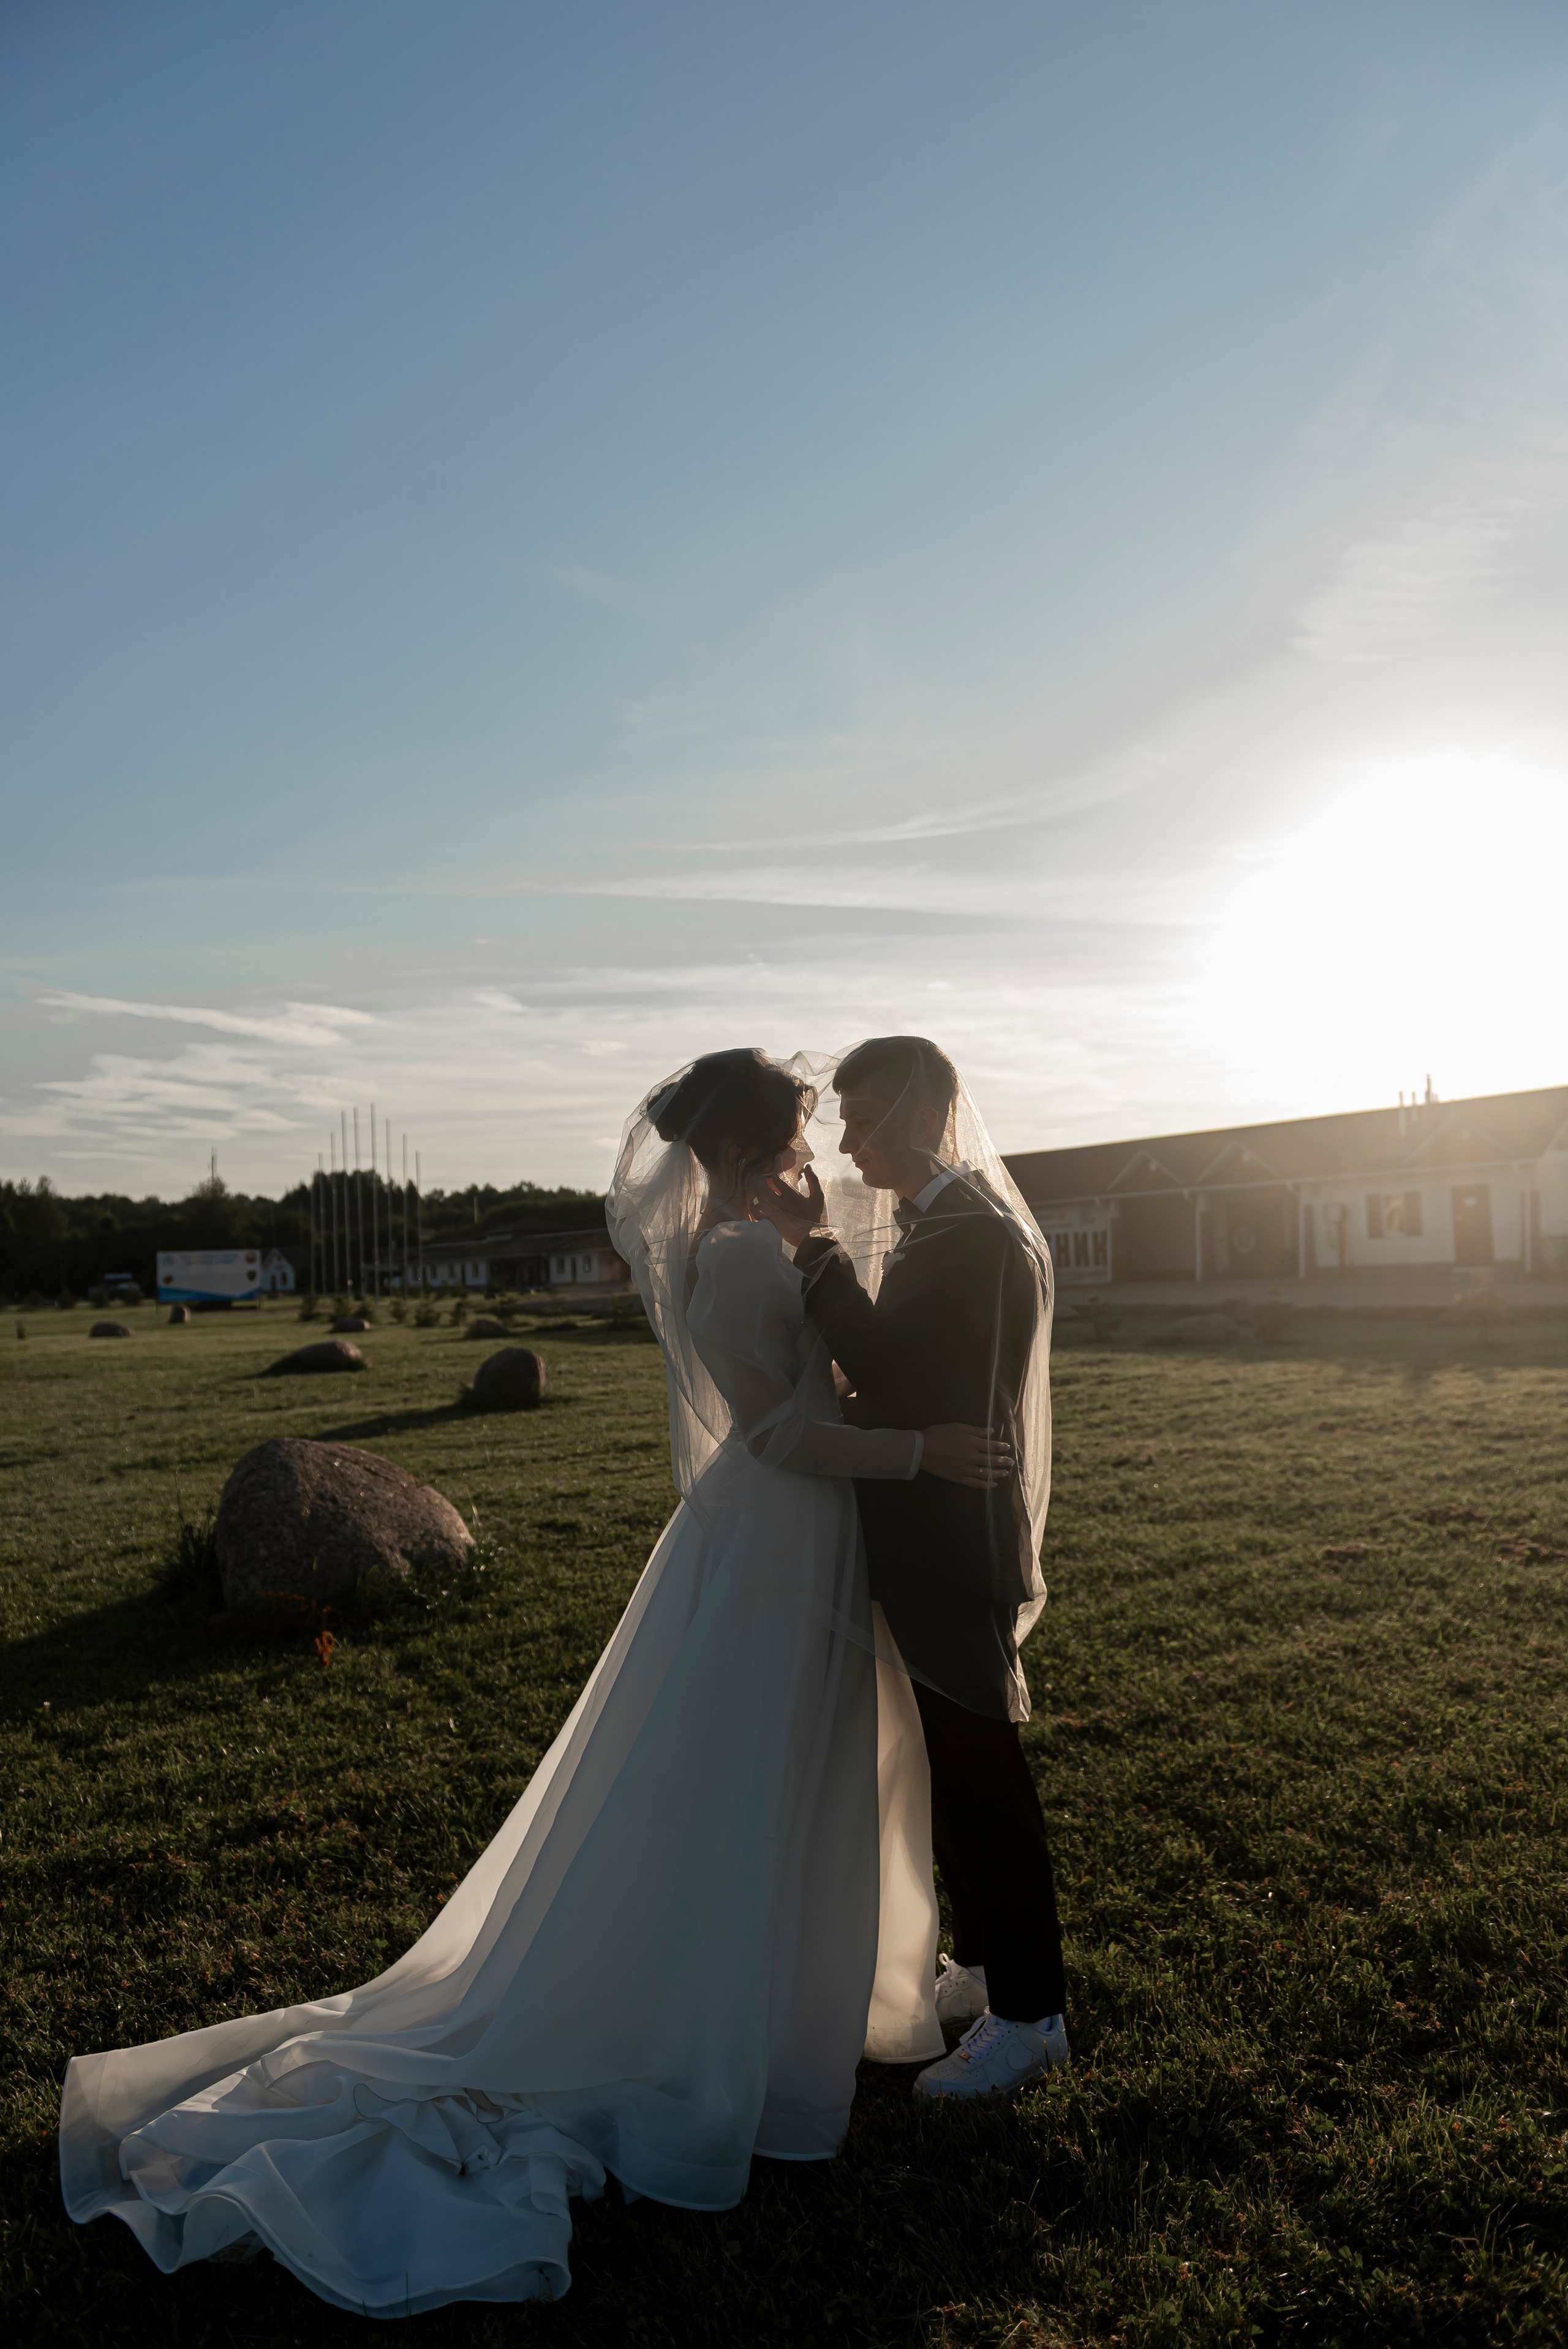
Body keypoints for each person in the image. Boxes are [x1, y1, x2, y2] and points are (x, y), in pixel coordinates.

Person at [58, 1048, 1006, 2315]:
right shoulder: (727, 1253)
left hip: (799, 1531)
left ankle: (800, 2000)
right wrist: (918, 1447)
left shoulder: (755, 1237)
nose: (809, 1155)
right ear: (736, 1148)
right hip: (784, 1531)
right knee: (753, 1772)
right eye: (790, 1135)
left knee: (802, 1766)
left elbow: (805, 1380)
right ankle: (740, 2028)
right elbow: (775, 1430)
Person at [752, 1036, 1069, 2101]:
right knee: (950, 1769)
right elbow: (904, 1390)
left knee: (984, 1780)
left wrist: (814, 1250)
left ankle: (1033, 2016)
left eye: (870, 1117)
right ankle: (984, 1973)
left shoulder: (973, 1237)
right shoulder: (946, 1228)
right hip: (926, 1532)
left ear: (929, 1113)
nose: (849, 1141)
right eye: (845, 1120)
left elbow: (889, 1365)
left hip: (951, 1539)